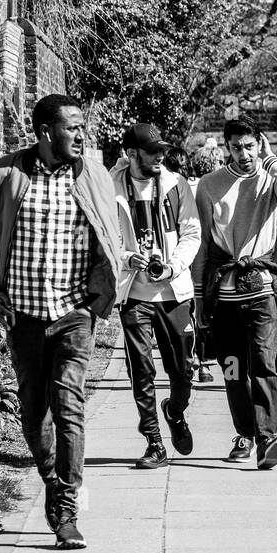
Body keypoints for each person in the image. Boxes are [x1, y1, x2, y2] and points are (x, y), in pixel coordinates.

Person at [0, 94, 127, 551]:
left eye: (82, 126)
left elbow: (107, 234)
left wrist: (99, 299)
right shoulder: (5, 175)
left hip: (75, 314)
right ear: (44, 133)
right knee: (34, 411)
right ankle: (52, 478)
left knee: (69, 403)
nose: (81, 134)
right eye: (72, 127)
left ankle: (67, 506)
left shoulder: (92, 174)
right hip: (25, 316)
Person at [192, 117, 277, 469]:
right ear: (227, 148)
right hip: (225, 294)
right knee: (233, 369)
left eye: (250, 146)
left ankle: (268, 437)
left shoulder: (270, 179)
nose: (244, 154)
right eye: (237, 147)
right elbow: (203, 245)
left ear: (260, 145)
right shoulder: (209, 185)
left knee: (264, 365)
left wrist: (270, 160)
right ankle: (244, 433)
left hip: (263, 289)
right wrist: (198, 298)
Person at [110, 124, 201, 469]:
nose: (160, 156)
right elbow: (104, 236)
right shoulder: (111, 187)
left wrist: (173, 266)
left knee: (182, 371)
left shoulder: (176, 185)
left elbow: (192, 233)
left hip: (174, 290)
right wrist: (127, 258)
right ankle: (154, 442)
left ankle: (175, 411)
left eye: (162, 149)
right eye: (152, 151)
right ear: (132, 154)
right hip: (134, 291)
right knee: (141, 369)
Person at [186, 139, 226, 383]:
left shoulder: (185, 187)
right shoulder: (214, 189)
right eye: (220, 161)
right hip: (206, 258)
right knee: (206, 309)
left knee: (191, 310)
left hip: (184, 259)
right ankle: (205, 361)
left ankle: (194, 358)